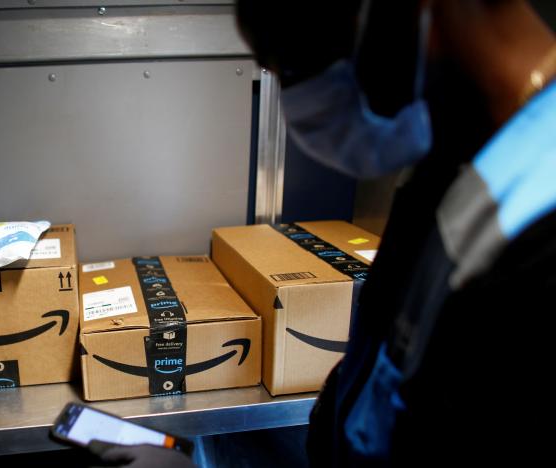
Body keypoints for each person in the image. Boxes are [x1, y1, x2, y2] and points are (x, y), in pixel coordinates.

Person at [87, 0, 556, 465]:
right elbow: (377, 386)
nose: (301, 103)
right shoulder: (453, 159)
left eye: (296, 60)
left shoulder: (538, 239)